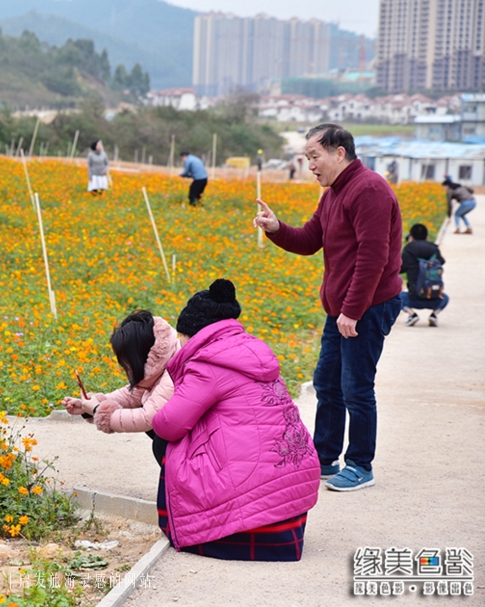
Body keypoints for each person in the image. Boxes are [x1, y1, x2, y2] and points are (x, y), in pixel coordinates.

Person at [253, 123, 402, 492]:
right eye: (307, 158)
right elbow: (308, 240)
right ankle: (324, 457)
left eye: (315, 156)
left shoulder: (368, 189)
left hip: (366, 306)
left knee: (355, 387)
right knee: (327, 383)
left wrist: (352, 310)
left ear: (339, 153)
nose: (311, 166)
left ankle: (360, 465)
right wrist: (275, 228)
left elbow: (373, 257)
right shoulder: (334, 193)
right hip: (342, 308)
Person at [152, 279, 320, 561]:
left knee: (166, 442)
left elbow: (168, 424)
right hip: (291, 488)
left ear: (193, 333)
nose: (180, 345)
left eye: (181, 337)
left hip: (254, 490)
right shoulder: (251, 350)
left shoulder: (208, 361)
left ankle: (211, 523)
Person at [61, 310, 180, 465]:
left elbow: (147, 418)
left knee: (161, 442)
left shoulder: (173, 371)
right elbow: (133, 394)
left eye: (128, 364)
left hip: (206, 448)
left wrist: (98, 411)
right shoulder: (161, 361)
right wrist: (90, 405)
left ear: (141, 356)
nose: (127, 369)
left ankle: (183, 485)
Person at [400, 223, 449, 327]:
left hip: (412, 298)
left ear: (411, 237)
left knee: (395, 296)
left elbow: (400, 269)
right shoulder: (433, 248)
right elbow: (442, 261)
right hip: (434, 297)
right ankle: (434, 315)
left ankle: (411, 314)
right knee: (445, 298)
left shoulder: (409, 249)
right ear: (427, 237)